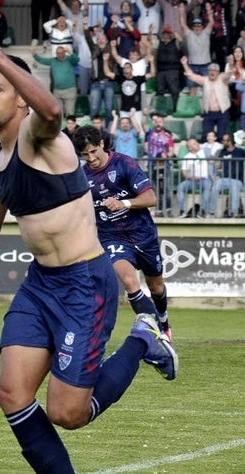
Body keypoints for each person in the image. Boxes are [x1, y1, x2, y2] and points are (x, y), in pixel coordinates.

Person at [0, 30, 177, 473]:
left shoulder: (41, 137)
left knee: (67, 413)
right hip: (41, 285)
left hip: (85, 283)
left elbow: (54, 109)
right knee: (12, 394)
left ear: (21, 99)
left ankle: (144, 338)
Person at [73, 125, 172, 338]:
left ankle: (163, 320)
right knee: (129, 282)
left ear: (102, 144)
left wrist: (123, 203)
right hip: (112, 237)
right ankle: (157, 336)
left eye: (93, 151)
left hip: (142, 234)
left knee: (156, 287)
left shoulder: (124, 163)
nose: (90, 158)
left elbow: (151, 199)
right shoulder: (81, 177)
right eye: (84, 155)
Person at [211, 133, 245, 218]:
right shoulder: (222, 152)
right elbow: (219, 165)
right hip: (224, 179)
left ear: (230, 141)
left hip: (237, 180)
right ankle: (211, 211)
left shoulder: (239, 151)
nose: (222, 142)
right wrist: (217, 165)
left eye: (224, 140)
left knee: (234, 187)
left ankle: (233, 212)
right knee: (215, 187)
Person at [177, 138, 213, 218]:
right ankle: (181, 211)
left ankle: (202, 211)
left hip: (205, 179)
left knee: (208, 186)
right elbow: (184, 172)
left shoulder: (205, 152)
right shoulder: (187, 157)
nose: (197, 144)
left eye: (196, 142)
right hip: (192, 180)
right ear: (189, 148)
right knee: (180, 187)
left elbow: (213, 161)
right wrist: (192, 177)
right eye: (194, 143)